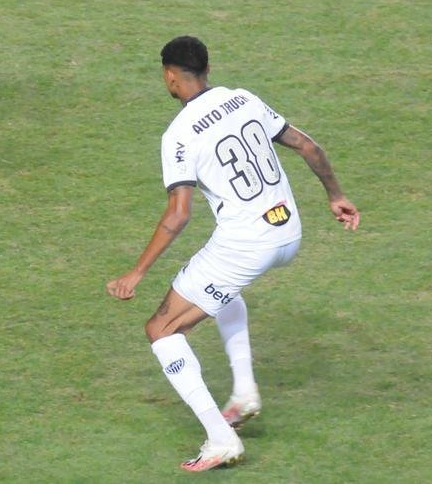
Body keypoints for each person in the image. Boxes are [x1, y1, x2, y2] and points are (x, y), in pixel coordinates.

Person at [106, 36, 360, 472]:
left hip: (247, 243)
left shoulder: (179, 134)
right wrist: (336, 195)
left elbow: (178, 215)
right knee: (222, 287)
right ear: (206, 69)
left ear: (169, 76)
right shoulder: (242, 98)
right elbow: (307, 146)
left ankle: (220, 439)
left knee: (162, 329)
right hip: (289, 232)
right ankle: (243, 393)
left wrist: (137, 271)